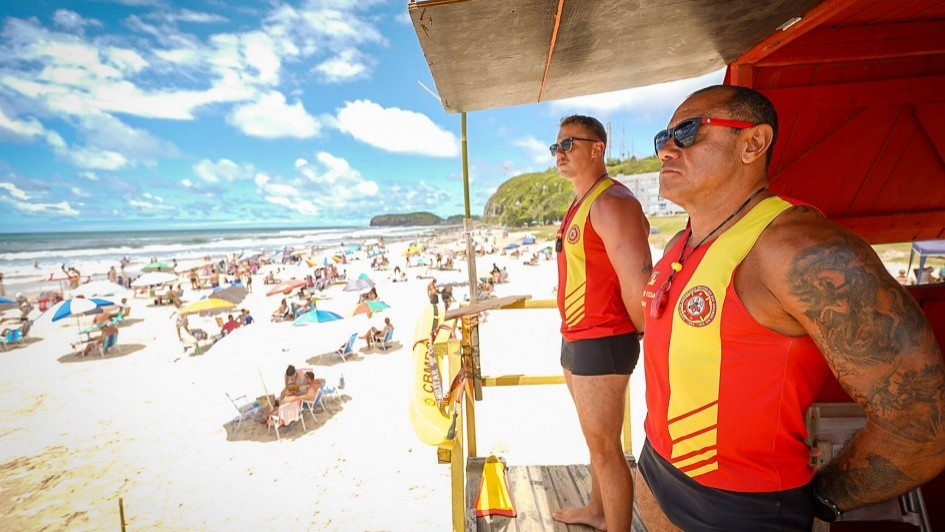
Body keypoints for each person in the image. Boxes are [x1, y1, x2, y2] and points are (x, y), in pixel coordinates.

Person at [638, 85, 945, 530]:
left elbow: (921, 422)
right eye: (661, 138)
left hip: (743, 509)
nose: (666, 148)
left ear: (753, 144)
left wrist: (820, 499)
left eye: (686, 132)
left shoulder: (799, 249)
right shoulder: (679, 244)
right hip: (657, 472)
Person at [551, 114, 652, 531]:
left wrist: (642, 334)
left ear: (598, 149)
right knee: (596, 443)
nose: (559, 152)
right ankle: (597, 510)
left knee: (607, 448)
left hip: (605, 338)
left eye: (569, 143)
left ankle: (617, 527)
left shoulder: (613, 202)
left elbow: (637, 284)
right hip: (577, 336)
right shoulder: (582, 201)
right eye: (556, 146)